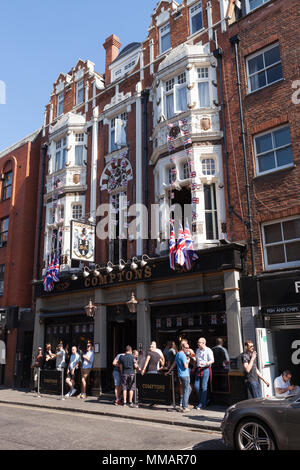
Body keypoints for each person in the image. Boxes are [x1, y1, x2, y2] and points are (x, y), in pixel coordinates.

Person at [166, 341, 192, 412]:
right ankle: (185, 406)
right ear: (182, 347)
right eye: (186, 348)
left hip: (180, 375)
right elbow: (186, 366)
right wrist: (188, 360)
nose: (187, 349)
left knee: (189, 389)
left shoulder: (178, 354)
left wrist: (169, 371)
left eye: (188, 348)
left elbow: (174, 363)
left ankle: (184, 403)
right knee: (187, 390)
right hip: (185, 375)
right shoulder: (183, 355)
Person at [194, 337, 214, 410]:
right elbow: (196, 359)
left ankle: (201, 404)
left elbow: (212, 360)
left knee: (204, 387)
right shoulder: (197, 350)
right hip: (198, 369)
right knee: (196, 386)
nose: (198, 344)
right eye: (198, 342)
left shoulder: (208, 350)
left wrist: (206, 363)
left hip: (206, 369)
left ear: (203, 343)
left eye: (199, 342)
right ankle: (203, 401)